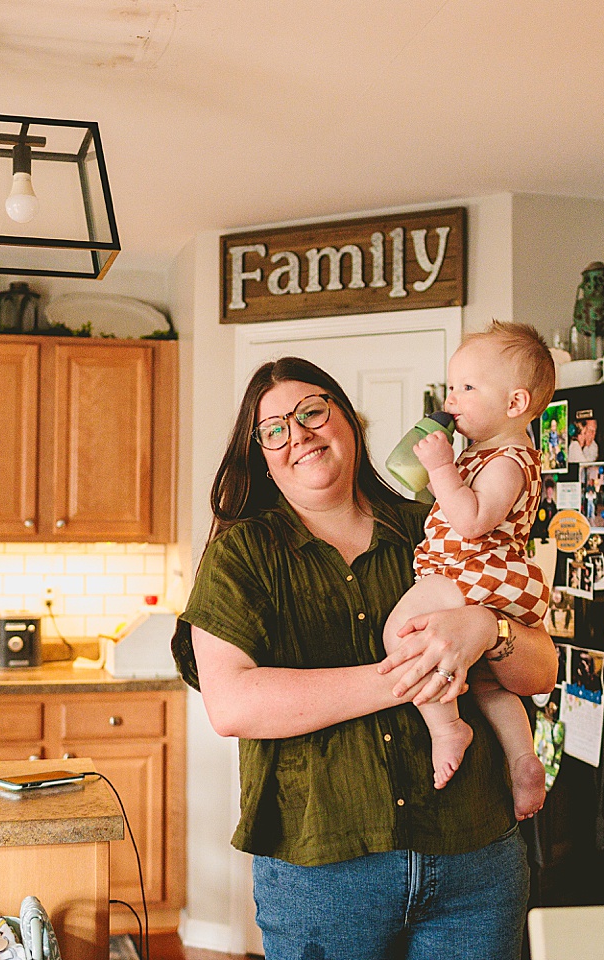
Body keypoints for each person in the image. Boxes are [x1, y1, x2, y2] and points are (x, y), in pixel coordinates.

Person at [175, 356, 558, 960]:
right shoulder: (241, 557)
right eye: (274, 429)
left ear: (349, 421)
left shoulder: (436, 530)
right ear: (262, 454)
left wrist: (486, 628)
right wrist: (415, 670)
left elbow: (542, 672)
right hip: (325, 870)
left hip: (475, 857)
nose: (297, 434)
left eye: (312, 412)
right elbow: (233, 705)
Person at [385, 321, 555, 819]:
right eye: (450, 385)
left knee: (401, 634)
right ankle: (523, 760)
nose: (451, 398)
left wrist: (440, 470)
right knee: (488, 683)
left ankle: (447, 728)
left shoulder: (510, 460)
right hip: (481, 577)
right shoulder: (480, 453)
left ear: (516, 404)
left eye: (467, 388)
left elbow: (474, 521)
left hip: (471, 571)